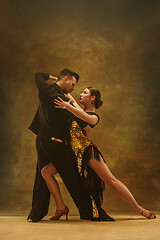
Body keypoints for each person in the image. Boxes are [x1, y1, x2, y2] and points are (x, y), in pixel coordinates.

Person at [51, 86, 156, 220]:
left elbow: (84, 116)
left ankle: (140, 209)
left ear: (92, 98)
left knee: (111, 180)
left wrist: (67, 105)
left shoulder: (94, 117)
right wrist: (57, 84)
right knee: (45, 172)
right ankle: (61, 207)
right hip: (74, 154)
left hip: (88, 152)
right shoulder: (79, 110)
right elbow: (73, 102)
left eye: (85, 93)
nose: (81, 94)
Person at [27, 70, 113, 222]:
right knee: (71, 178)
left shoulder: (47, 90)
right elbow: (81, 120)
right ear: (65, 79)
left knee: (45, 174)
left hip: (43, 140)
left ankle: (43, 211)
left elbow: (38, 75)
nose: (74, 88)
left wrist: (53, 79)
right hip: (54, 142)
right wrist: (75, 112)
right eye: (72, 84)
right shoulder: (61, 99)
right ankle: (83, 210)